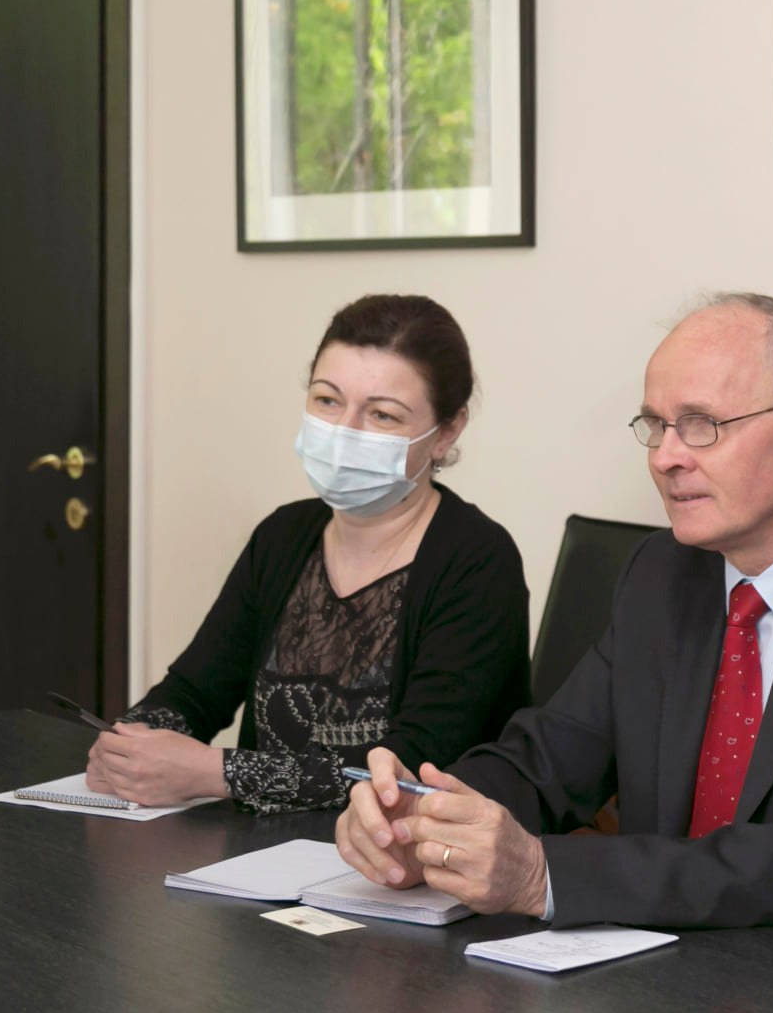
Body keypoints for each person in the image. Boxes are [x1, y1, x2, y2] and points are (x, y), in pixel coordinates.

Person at [334, 293, 773, 944]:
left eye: (701, 424)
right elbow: (549, 758)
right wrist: (423, 816)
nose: (664, 457)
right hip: (664, 973)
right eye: (655, 425)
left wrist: (544, 875)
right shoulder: (662, 572)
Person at [87, 294, 530, 814]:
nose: (344, 431)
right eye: (327, 400)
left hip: (405, 855)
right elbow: (195, 692)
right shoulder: (283, 535)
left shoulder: (478, 561)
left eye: (382, 414)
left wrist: (216, 772)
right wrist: (132, 741)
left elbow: (410, 768)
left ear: (446, 432)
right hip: (253, 850)